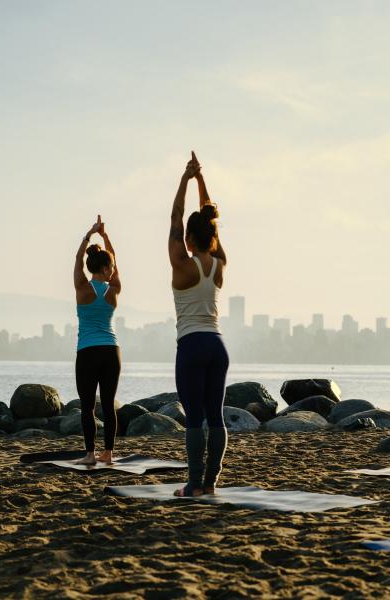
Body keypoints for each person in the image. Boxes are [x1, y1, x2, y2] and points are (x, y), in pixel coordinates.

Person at [168, 151, 229, 497]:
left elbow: (176, 217)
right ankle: (210, 484)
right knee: (215, 415)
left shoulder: (182, 264)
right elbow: (211, 222)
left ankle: (193, 485)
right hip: (217, 346)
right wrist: (201, 180)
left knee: (194, 417)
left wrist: (185, 179)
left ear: (189, 239)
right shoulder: (219, 263)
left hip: (191, 345)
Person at [73, 215, 122, 465]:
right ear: (105, 269)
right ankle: (109, 454)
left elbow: (77, 262)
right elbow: (114, 259)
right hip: (111, 352)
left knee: (88, 405)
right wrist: (105, 237)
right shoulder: (114, 289)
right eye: (111, 267)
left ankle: (91, 454)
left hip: (88, 352)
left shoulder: (82, 288)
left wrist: (89, 235)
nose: (113, 270)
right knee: (108, 405)